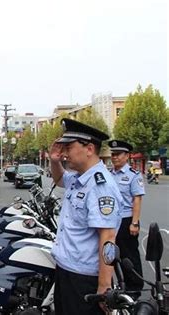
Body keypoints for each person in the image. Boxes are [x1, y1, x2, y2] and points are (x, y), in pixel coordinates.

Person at [49, 118, 122, 315]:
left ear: (89, 149)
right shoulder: (80, 177)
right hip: (67, 270)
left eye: (68, 148)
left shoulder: (100, 185)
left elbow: (108, 237)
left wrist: (104, 287)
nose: (64, 154)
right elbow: (58, 178)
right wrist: (54, 160)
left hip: (83, 278)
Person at [109, 140, 145, 293]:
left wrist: (135, 223)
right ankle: (112, 286)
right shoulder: (108, 174)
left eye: (118, 154)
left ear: (127, 156)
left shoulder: (133, 176)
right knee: (109, 255)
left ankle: (134, 288)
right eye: (113, 154)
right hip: (110, 221)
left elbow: (137, 199)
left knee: (128, 255)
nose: (114, 157)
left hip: (126, 220)